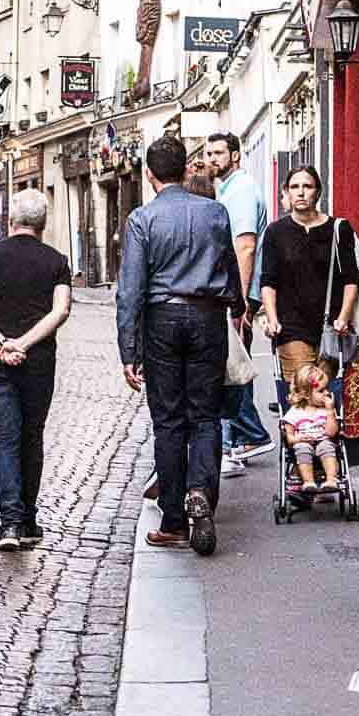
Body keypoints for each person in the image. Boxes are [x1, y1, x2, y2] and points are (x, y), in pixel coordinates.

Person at [116, 134, 242, 557]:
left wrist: (127, 350)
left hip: (162, 320)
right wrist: (237, 307)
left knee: (168, 420)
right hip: (207, 316)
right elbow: (230, 266)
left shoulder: (142, 219)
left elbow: (130, 289)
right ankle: (200, 492)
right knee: (205, 415)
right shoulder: (215, 212)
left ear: (148, 174)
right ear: (187, 170)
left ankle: (172, 519)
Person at [0, 188, 72, 552]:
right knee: (32, 436)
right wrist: (23, 344)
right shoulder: (56, 261)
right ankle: (28, 520)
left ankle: (9, 523)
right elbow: (60, 312)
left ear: (10, 221)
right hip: (38, 361)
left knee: (5, 437)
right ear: (43, 223)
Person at [205, 131, 274, 477]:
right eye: (209, 153)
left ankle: (246, 436)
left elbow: (244, 246)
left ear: (236, 155)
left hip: (240, 293)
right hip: (236, 292)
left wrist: (240, 302)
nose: (212, 158)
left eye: (219, 152)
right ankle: (242, 438)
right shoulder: (229, 188)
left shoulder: (242, 190)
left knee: (232, 364)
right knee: (231, 361)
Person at [260, 166, 359, 383]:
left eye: (307, 186)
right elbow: (268, 281)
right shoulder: (276, 232)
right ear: (286, 192)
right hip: (291, 327)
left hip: (330, 328)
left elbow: (351, 280)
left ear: (318, 191)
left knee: (324, 396)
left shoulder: (338, 229)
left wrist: (343, 317)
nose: (301, 192)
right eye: (294, 187)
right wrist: (272, 318)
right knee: (304, 391)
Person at [283, 360, 341, 499]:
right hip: (303, 442)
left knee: (327, 446)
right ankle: (309, 482)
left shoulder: (325, 410)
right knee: (302, 448)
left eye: (327, 389)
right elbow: (289, 437)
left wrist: (330, 411)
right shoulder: (295, 412)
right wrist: (298, 438)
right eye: (321, 390)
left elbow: (331, 433)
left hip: (323, 440)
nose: (326, 393)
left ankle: (331, 479)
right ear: (306, 394)